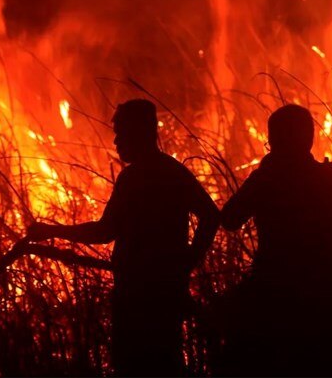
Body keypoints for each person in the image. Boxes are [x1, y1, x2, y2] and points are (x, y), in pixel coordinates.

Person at [24, 99, 220, 376]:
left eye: (122, 132)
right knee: (167, 362)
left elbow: (105, 231)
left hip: (137, 294)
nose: (116, 141)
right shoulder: (173, 171)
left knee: (135, 365)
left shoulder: (136, 177)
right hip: (166, 292)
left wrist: (53, 231)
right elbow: (211, 216)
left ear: (140, 132)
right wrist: (187, 262)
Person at [219, 104, 332, 376]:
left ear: (276, 141)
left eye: (273, 140)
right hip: (325, 294)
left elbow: (229, 219)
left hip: (274, 293)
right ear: (309, 139)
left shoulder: (267, 181)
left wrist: (263, 172)